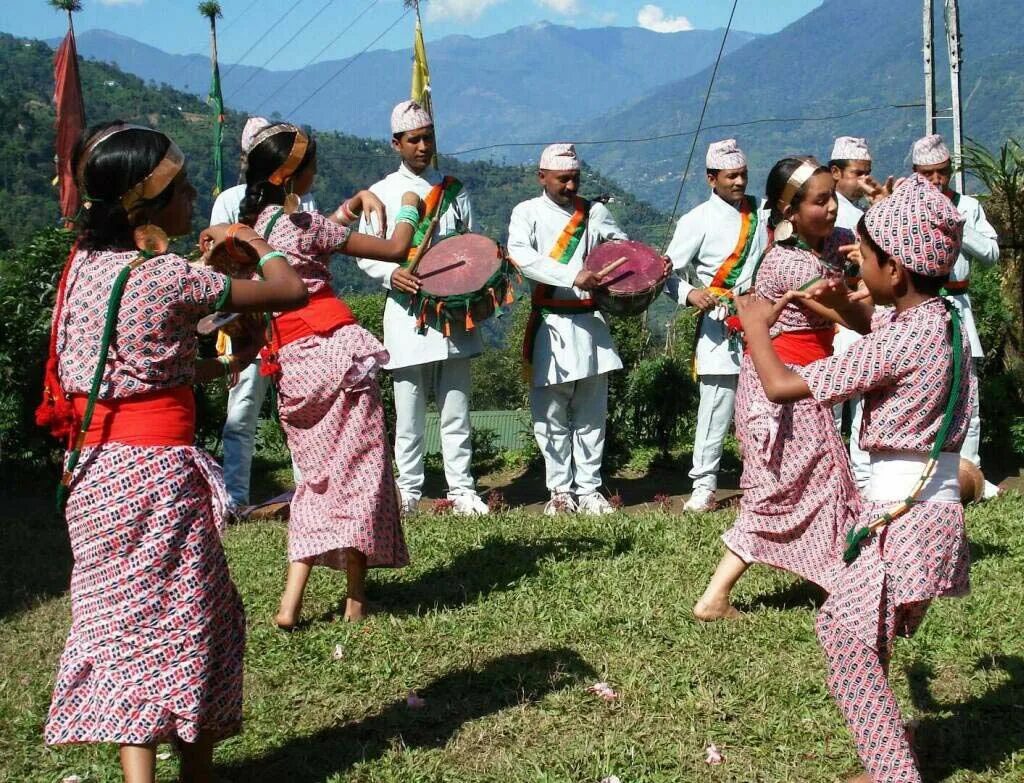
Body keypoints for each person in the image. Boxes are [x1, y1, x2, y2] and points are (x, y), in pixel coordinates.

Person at [40, 122, 308, 783]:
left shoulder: (82, 271)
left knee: (128, 629)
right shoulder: (166, 276)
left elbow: (147, 373)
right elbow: (288, 290)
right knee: (199, 620)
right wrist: (252, 239)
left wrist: (229, 361)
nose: (194, 196)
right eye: (183, 188)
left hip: (96, 474)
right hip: (157, 478)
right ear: (147, 204)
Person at [735, 174, 972, 783]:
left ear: (894, 271)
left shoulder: (902, 336)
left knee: (844, 637)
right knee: (865, 634)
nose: (853, 262)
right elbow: (877, 329)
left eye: (864, 257)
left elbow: (784, 386)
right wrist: (842, 300)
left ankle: (892, 773)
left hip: (901, 515)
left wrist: (756, 324)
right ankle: (889, 750)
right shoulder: (938, 319)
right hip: (929, 513)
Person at [239, 121, 416, 627]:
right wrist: (407, 203)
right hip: (338, 356)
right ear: (294, 177)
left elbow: (316, 232)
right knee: (361, 473)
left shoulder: (256, 231)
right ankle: (357, 600)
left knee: (314, 481)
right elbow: (396, 249)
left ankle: (290, 604)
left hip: (292, 364)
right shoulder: (307, 227)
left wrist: (353, 205)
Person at [693, 156, 863, 621]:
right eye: (820, 201)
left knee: (812, 485)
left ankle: (833, 580)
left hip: (804, 383)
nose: (832, 209)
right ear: (789, 211)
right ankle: (836, 586)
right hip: (780, 389)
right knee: (799, 487)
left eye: (834, 197)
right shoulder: (789, 264)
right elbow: (852, 315)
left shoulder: (834, 244)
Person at [355, 100, 489, 517]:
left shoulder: (455, 190)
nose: (422, 146)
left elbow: (470, 244)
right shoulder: (380, 193)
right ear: (396, 143)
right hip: (407, 309)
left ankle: (462, 488)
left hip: (452, 313)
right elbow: (365, 251)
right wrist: (389, 274)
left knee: (455, 407)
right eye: (414, 139)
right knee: (408, 409)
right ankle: (409, 490)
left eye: (428, 138)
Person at [508, 143, 641, 515]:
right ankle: (560, 491)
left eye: (575, 179)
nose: (570, 186)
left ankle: (589, 488)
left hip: (591, 325)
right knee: (550, 415)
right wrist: (572, 274)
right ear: (542, 177)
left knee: (591, 414)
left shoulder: (594, 212)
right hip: (550, 324)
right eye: (563, 179)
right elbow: (520, 255)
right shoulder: (526, 213)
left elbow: (621, 249)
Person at [211, 116, 317, 511]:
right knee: (242, 410)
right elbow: (218, 262)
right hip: (252, 320)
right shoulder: (228, 200)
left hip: (292, 319)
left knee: (302, 408)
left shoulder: (299, 202)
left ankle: (308, 493)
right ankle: (234, 498)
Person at [663, 139, 769, 512]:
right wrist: (690, 294)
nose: (739, 182)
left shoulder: (762, 212)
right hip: (719, 324)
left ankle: (761, 481)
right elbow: (665, 273)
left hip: (761, 317)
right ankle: (704, 485)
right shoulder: (695, 221)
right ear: (711, 179)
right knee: (716, 406)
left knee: (763, 405)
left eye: (743, 175)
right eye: (731, 176)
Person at [912, 133, 1001, 498]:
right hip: (919, 307)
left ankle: (972, 476)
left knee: (968, 397)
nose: (936, 181)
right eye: (928, 173)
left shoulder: (968, 206)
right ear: (916, 173)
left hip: (959, 305)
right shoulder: (907, 206)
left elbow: (992, 254)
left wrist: (957, 225)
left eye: (942, 172)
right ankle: (924, 475)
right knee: (922, 396)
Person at [829, 135, 875, 489]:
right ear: (835, 173)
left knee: (863, 398)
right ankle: (831, 470)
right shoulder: (828, 215)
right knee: (832, 398)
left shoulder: (865, 215)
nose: (864, 181)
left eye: (868, 173)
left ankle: (861, 473)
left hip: (860, 311)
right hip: (833, 315)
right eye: (857, 174)